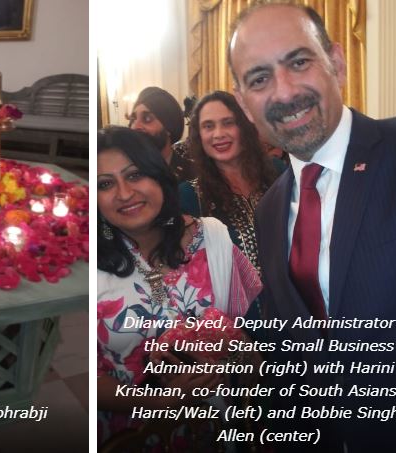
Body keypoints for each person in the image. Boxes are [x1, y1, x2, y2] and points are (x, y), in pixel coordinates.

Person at [229, 3, 396, 451]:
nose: (284, 93)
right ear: (245, 103)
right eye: (259, 79)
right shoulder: (269, 210)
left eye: (299, 62)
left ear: (337, 64)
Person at [97, 126, 262, 446]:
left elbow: (253, 341)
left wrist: (228, 356)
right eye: (106, 184)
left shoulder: (213, 237)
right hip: (134, 434)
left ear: (159, 176)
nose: (124, 193)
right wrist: (158, 403)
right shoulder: (91, 264)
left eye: (135, 175)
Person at [179, 91, 281, 272]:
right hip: (232, 300)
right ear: (199, 136)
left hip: (294, 296)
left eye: (228, 123)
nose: (218, 134)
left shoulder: (277, 172)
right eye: (208, 126)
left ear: (244, 126)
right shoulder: (189, 197)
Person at [128, 87, 195, 181]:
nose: (135, 127)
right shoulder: (126, 172)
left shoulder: (194, 176)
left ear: (169, 127)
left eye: (147, 119)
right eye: (133, 119)